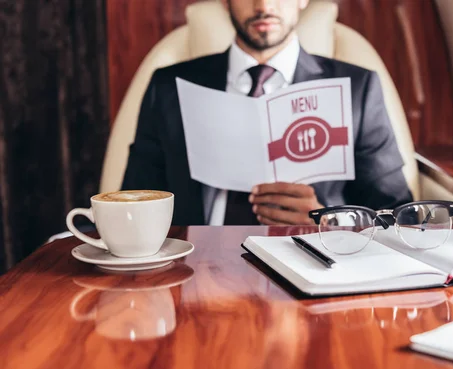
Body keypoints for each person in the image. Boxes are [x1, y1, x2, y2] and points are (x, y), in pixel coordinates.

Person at [121, 0, 413, 226]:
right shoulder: (169, 87)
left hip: (313, 269)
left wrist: (328, 221)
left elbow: (398, 214)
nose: (263, 6)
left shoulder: (356, 90)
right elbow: (133, 204)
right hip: (197, 269)